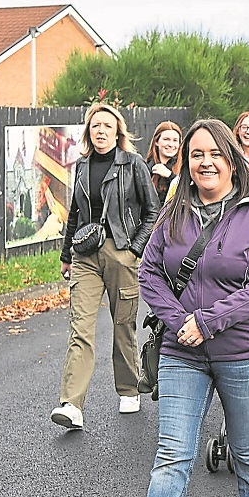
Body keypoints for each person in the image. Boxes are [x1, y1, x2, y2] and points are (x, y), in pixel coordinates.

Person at [114, 118, 249, 497]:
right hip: (181, 352)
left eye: (214, 153)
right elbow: (149, 275)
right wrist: (178, 321)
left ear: (232, 160)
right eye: (195, 155)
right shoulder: (174, 214)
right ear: (186, 163)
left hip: (245, 353)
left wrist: (208, 320)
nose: (204, 162)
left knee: (247, 448)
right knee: (172, 454)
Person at [53, 103, 161, 430]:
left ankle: (129, 388)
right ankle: (71, 405)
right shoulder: (82, 166)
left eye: (107, 126)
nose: (101, 131)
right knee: (80, 328)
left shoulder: (134, 164)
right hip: (86, 255)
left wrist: (133, 250)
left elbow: (152, 212)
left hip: (121, 252)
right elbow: (74, 212)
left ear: (118, 132)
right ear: (89, 131)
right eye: (95, 126)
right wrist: (66, 254)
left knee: (123, 324)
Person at [146, 121, 182, 202]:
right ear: (156, 142)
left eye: (175, 140)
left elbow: (188, 194)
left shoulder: (185, 167)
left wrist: (170, 176)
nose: (171, 144)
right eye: (166, 139)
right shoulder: (145, 168)